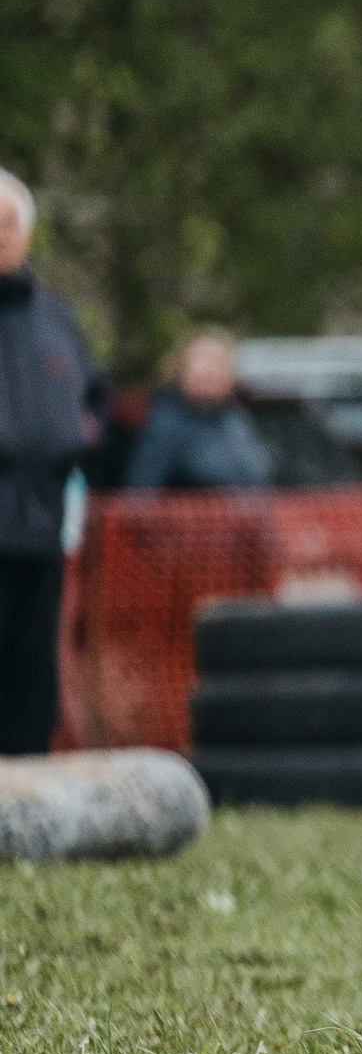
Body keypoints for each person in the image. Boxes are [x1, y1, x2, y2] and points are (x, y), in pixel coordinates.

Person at [0, 167, 103, 755]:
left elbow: (92, 400)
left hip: (41, 527)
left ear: (27, 234)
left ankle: (23, 793)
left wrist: (81, 443)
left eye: (8, 223)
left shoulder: (54, 320)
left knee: (32, 677)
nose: (0, 235)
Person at [124, 334, 273, 490]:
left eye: (217, 362)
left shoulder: (236, 420)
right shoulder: (166, 425)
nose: (209, 370)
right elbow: (141, 493)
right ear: (181, 371)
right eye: (200, 361)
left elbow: (259, 477)